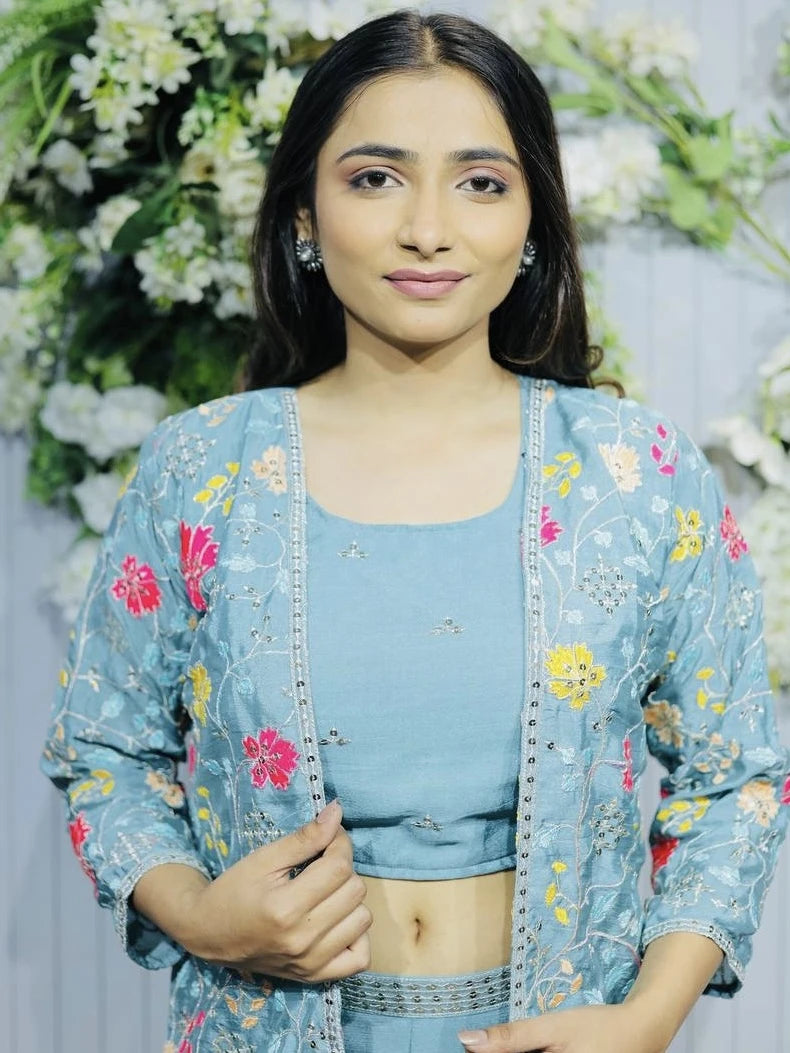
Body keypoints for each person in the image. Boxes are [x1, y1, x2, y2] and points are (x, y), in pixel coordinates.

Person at [41, 9, 789, 1053]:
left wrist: (647, 1018)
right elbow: (105, 752)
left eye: (480, 182)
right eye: (375, 178)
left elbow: (734, 775)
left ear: (533, 222)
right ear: (304, 214)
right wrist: (200, 914)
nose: (427, 228)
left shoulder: (637, 475)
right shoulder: (199, 471)